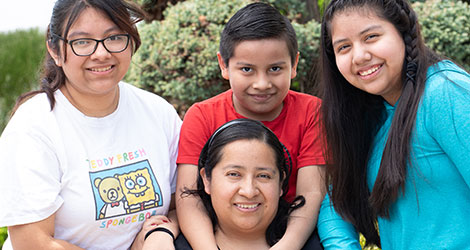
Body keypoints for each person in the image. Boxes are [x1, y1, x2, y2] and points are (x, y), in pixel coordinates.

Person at [0, 0, 181, 249]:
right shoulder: (34, 126)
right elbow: (34, 243)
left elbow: (183, 203)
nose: (101, 53)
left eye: (114, 37)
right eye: (82, 42)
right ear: (55, 50)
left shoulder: (158, 113)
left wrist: (159, 233)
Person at [316, 0, 470, 249]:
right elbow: (336, 202)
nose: (359, 56)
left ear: (403, 31)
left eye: (371, 36)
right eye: (343, 47)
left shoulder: (445, 92)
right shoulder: (371, 114)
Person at [176, 2, 325, 250]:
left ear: (294, 64)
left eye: (275, 69)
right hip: (216, 232)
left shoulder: (312, 112)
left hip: (290, 230)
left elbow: (310, 194)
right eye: (247, 69)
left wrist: (287, 246)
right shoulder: (202, 115)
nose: (262, 83)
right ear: (224, 65)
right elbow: (188, 196)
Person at [174, 119, 306, 250]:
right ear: (207, 180)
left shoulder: (317, 244)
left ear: (280, 183)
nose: (249, 192)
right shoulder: (169, 246)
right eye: (234, 174)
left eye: (263, 176)